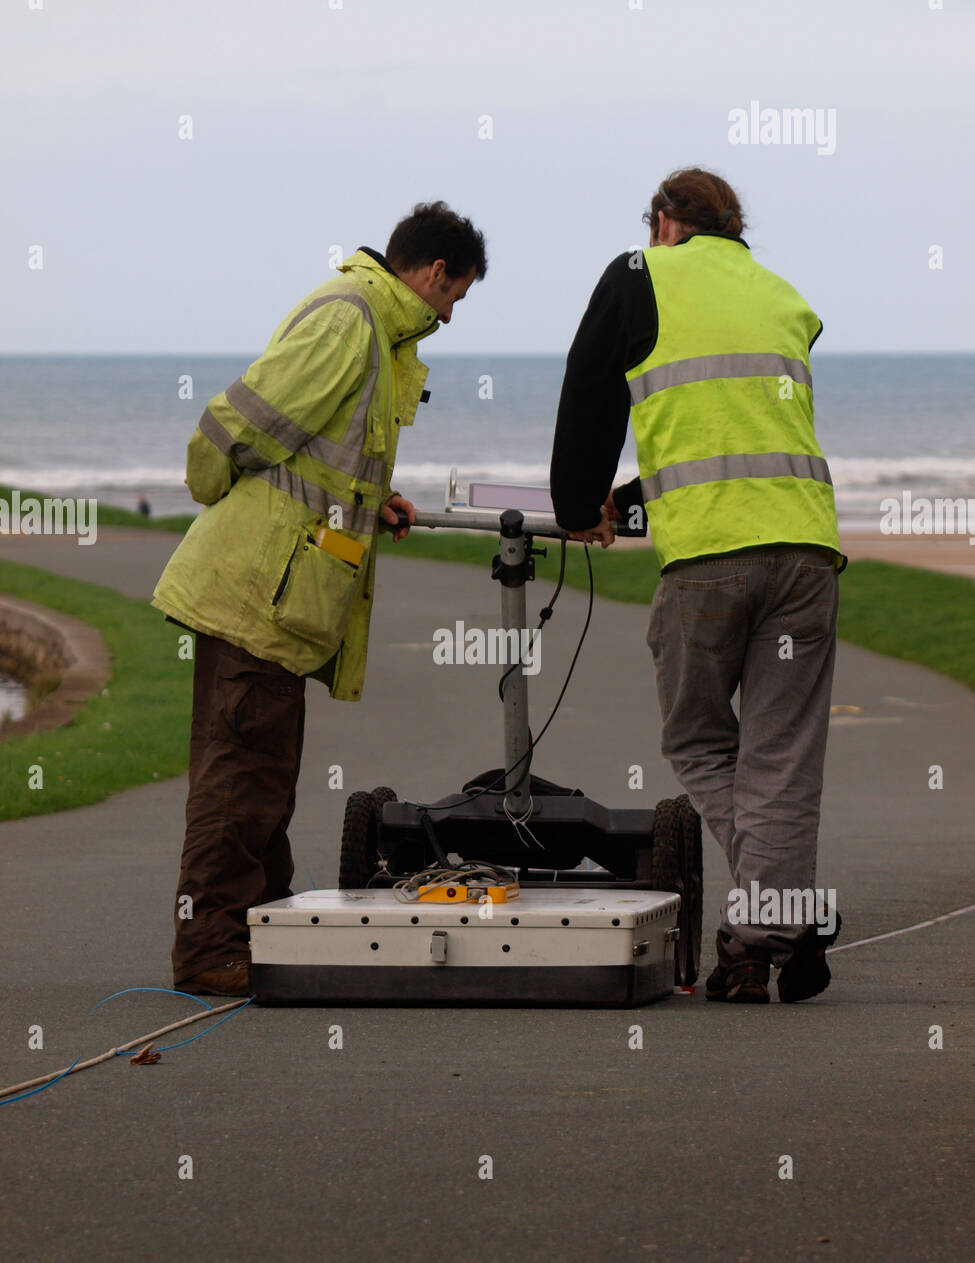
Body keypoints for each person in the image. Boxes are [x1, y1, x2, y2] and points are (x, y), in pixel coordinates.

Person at [152, 202, 487, 995]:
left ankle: (261, 933)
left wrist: (373, 501)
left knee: (262, 776)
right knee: (240, 780)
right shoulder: (352, 319)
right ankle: (209, 953)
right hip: (254, 591)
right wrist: (215, 493)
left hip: (273, 594)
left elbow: (321, 452)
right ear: (433, 273)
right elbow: (235, 427)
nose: (450, 316)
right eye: (456, 297)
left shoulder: (374, 324)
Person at [550, 167, 844, 1005]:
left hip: (710, 557)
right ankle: (764, 935)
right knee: (781, 756)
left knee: (696, 742)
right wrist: (631, 496)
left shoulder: (641, 275)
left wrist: (578, 505)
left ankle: (768, 928)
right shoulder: (781, 294)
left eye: (650, 223)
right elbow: (735, 429)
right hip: (807, 552)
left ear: (666, 222)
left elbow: (590, 390)